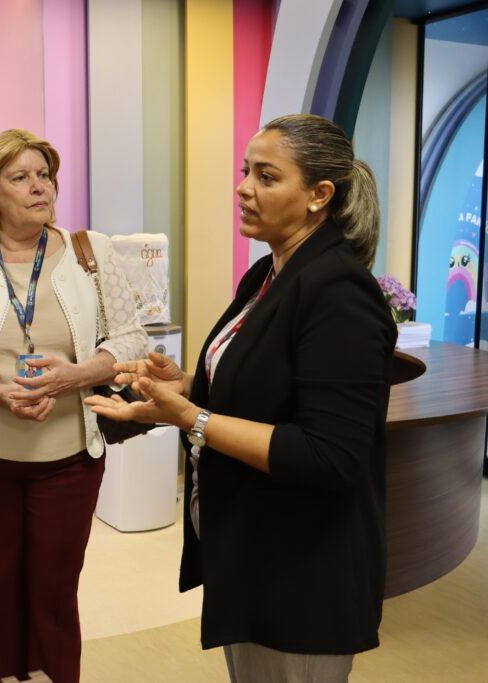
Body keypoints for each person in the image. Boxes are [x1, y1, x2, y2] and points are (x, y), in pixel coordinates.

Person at [86, 113, 396, 682]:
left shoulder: (339, 292)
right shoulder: (267, 275)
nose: (244, 188)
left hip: (304, 570)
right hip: (252, 549)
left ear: (320, 196)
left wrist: (192, 416)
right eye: (245, 171)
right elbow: (262, 391)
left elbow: (330, 454)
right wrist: (183, 385)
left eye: (266, 176)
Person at [0, 129, 147, 683]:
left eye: (44, 175)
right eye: (20, 177)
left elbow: (132, 337)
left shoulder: (91, 252)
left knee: (54, 594)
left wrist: (76, 375)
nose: (39, 187)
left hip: (69, 459)